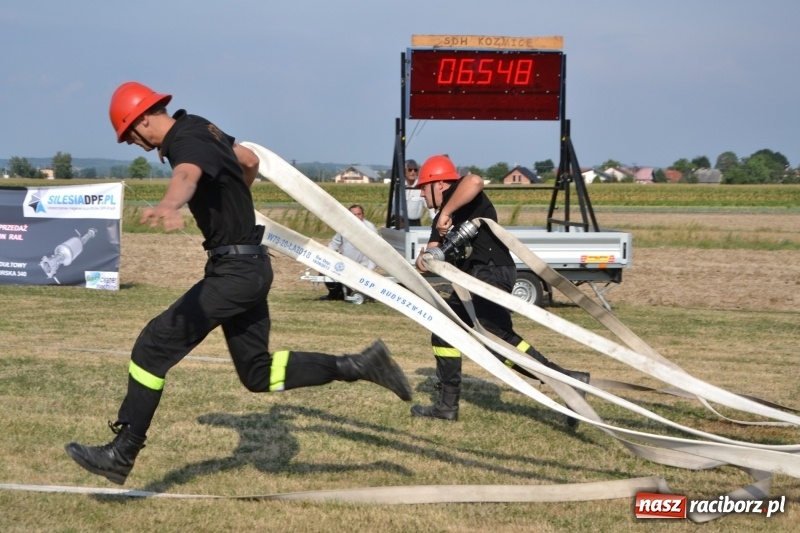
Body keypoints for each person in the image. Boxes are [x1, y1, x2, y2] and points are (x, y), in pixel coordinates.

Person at [64, 81, 412, 486]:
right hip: (249, 266)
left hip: (235, 272)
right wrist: (234, 199)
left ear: (142, 120)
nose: (131, 144)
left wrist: (170, 203)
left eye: (129, 135)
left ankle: (121, 453)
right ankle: (359, 365)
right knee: (257, 373)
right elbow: (247, 159)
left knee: (152, 347)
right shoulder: (201, 126)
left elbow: (188, 172)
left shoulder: (184, 140)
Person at [411, 154, 589, 425]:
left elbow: (475, 180)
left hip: (492, 271)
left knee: (497, 339)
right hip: (473, 278)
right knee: (445, 331)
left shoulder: (462, 195)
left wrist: (446, 213)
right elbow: (431, 255)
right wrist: (424, 260)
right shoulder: (440, 221)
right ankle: (447, 406)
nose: (422, 195)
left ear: (441, 184)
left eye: (424, 187)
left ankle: (568, 383)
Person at [320, 204, 378, 300]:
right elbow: (334, 243)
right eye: (353, 215)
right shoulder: (344, 227)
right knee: (323, 268)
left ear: (363, 215)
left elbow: (376, 251)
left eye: (359, 214)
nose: (356, 217)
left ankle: (347, 294)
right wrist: (328, 257)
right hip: (346, 263)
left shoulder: (370, 228)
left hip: (362, 266)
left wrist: (370, 270)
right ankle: (335, 294)